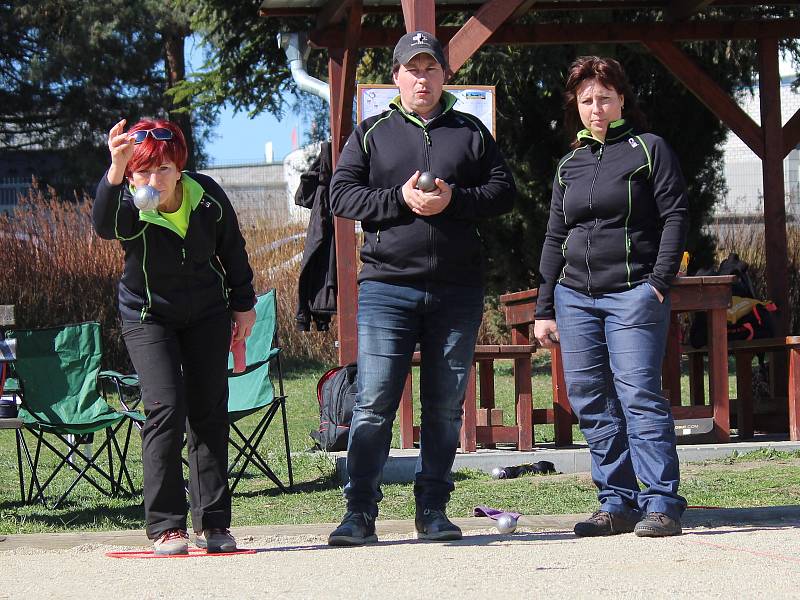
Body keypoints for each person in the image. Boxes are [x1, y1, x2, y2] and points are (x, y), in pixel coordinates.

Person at [327, 31, 516, 546]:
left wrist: (455, 198)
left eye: (430, 69)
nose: (421, 78)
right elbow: (341, 194)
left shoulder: (471, 131)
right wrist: (399, 200)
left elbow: (503, 192)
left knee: (444, 407)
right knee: (373, 402)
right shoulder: (370, 133)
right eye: (412, 69)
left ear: (444, 76)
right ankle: (359, 512)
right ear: (395, 78)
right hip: (387, 287)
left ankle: (433, 508)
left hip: (456, 290)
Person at [534, 56, 690, 538]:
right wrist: (544, 306)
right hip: (574, 299)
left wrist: (659, 284)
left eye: (604, 98)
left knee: (639, 394)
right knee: (589, 398)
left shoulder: (649, 149)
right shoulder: (569, 163)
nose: (596, 108)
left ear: (622, 99)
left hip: (633, 295)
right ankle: (616, 502)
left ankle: (661, 502)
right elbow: (555, 236)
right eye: (586, 100)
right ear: (575, 106)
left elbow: (676, 216)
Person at [92, 118, 256, 555]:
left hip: (207, 312)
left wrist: (244, 305)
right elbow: (104, 226)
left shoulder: (207, 198)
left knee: (208, 410)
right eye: (143, 171)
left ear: (179, 169)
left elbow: (233, 250)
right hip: (148, 316)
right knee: (165, 407)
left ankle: (215, 524)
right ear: (132, 175)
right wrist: (115, 169)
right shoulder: (129, 203)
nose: (154, 180)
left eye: (163, 169)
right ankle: (167, 525)